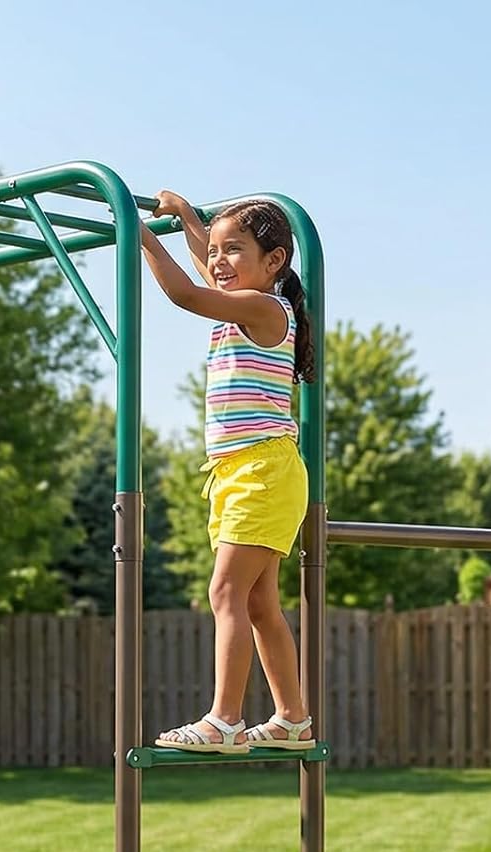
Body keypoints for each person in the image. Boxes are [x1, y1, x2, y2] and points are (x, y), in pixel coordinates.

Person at [140, 192, 317, 753]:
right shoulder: (246, 301)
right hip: (242, 470)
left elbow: (187, 293)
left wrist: (139, 237)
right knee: (260, 602)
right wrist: (190, 222)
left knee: (225, 592)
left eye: (232, 251)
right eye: (213, 251)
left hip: (261, 469)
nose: (217, 261)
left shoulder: (264, 310)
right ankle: (291, 718)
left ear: (274, 262)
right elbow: (205, 273)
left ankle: (225, 720)